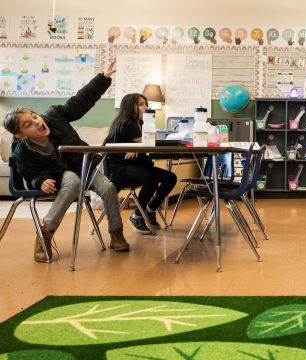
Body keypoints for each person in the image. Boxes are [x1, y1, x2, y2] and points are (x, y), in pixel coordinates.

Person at [3, 60, 130, 261]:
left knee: (108, 187)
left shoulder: (54, 115)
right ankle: (45, 233)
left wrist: (103, 78)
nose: (37, 122)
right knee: (73, 181)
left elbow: (80, 101)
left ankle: (116, 233)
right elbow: (30, 173)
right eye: (29, 124)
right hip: (61, 175)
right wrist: (40, 181)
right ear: (21, 135)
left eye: (35, 117)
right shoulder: (22, 151)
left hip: (81, 164)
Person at [103, 94, 177, 234]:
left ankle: (149, 210)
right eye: (141, 104)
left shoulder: (140, 124)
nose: (146, 107)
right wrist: (138, 147)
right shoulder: (127, 123)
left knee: (170, 178)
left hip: (135, 166)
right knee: (151, 176)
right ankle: (137, 215)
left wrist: (138, 148)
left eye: (146, 104)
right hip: (120, 170)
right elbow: (148, 144)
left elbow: (145, 145)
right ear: (130, 106)